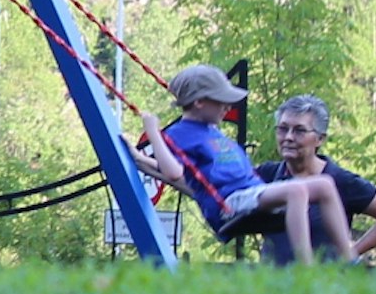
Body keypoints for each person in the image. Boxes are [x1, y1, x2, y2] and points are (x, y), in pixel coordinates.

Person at [148, 63, 358, 263]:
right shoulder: (178, 134)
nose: (228, 106)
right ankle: (306, 268)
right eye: (221, 101)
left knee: (325, 184)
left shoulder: (210, 131)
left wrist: (140, 158)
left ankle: (349, 260)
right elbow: (173, 172)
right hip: (230, 204)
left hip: (252, 192)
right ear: (199, 102)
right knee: (296, 191)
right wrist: (154, 133)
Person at [257, 95, 376, 266]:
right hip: (271, 284)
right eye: (282, 129)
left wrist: (350, 253)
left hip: (323, 285)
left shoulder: (338, 181)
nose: (288, 137)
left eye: (299, 131)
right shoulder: (267, 175)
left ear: (320, 139)